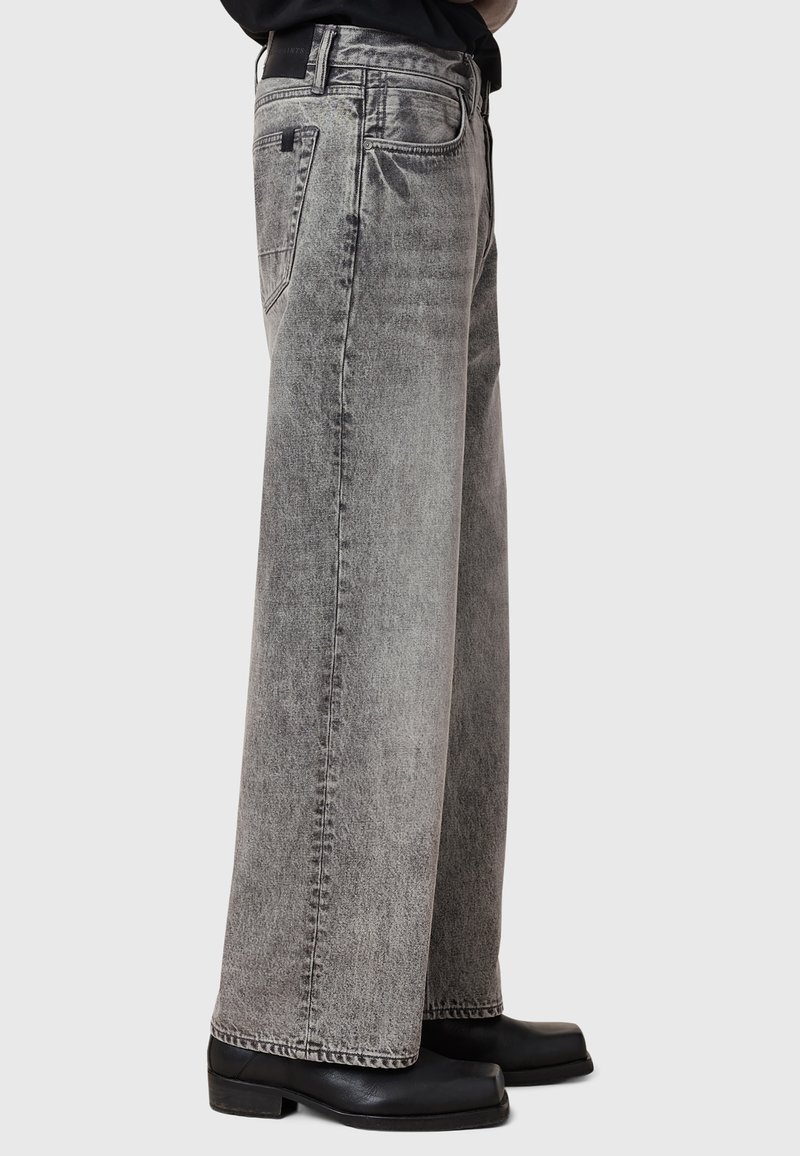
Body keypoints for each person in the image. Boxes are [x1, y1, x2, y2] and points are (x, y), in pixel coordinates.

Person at [208, 0, 592, 1131]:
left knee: (447, 582)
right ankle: (296, 1016)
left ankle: (423, 990)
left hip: (431, 90)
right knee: (359, 564)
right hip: (368, 91)